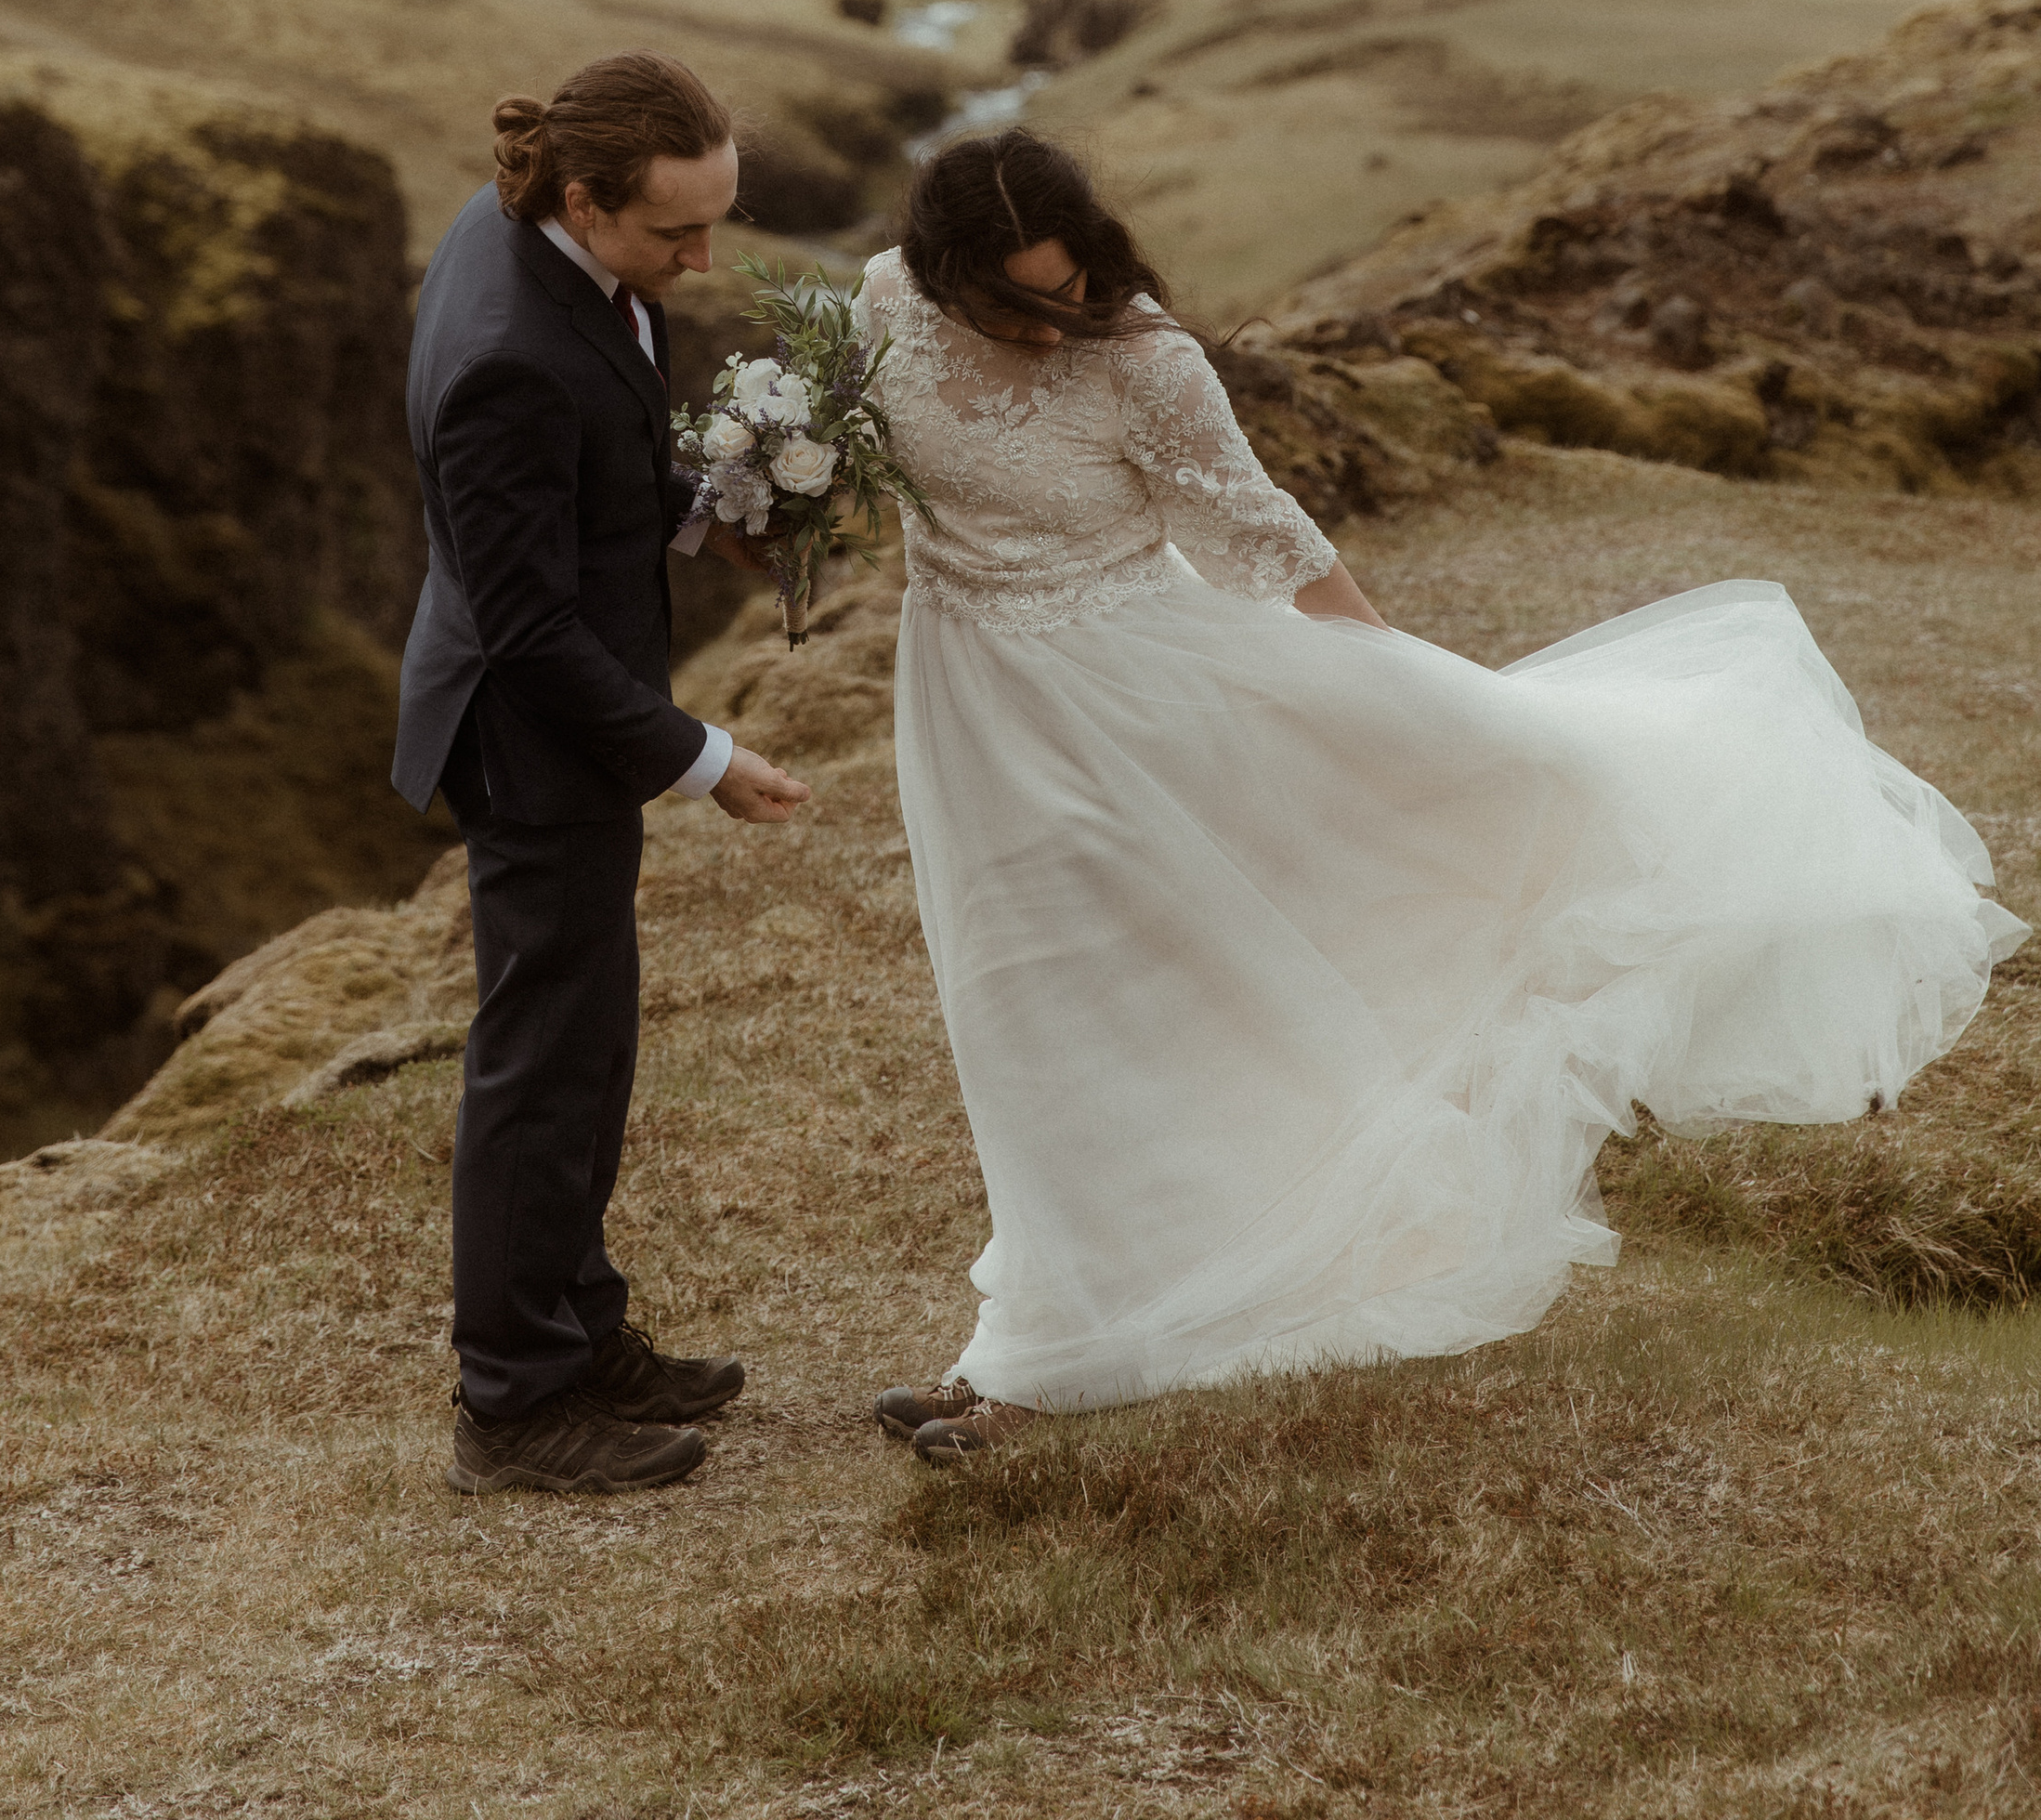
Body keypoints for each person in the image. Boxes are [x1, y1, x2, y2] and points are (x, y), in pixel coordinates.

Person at [861, 127, 2024, 1464]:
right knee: (1015, 1018)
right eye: (1020, 301)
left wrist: (1405, 691)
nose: (1056, 323)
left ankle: (1037, 1368)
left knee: (1097, 1010)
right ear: (945, 277)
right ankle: (1039, 1337)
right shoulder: (883, 303)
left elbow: (1262, 533)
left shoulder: (1146, 364)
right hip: (965, 706)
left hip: (1128, 719)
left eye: (1072, 289)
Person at [393, 51, 808, 1498]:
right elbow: (526, 627)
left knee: (590, 1045)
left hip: (560, 721)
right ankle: (510, 1405)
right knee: (542, 1065)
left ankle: (579, 1334)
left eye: (715, 224)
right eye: (672, 235)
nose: (699, 262)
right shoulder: (510, 348)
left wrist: (709, 513)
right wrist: (702, 757)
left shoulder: (531, 233)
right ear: (586, 197)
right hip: (530, 742)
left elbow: (591, 459)